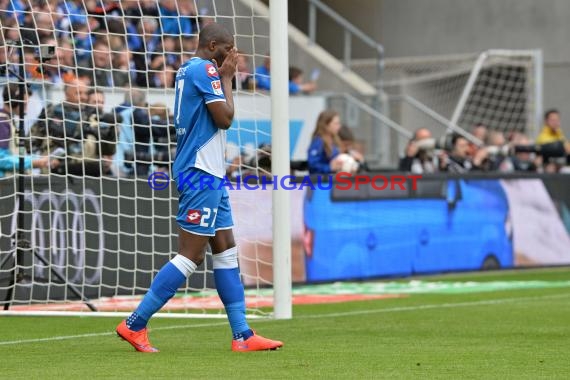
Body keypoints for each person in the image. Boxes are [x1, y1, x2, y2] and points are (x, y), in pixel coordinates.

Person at [116, 23, 283, 353]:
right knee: (191, 255)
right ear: (212, 45)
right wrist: (228, 77)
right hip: (200, 172)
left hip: (211, 174)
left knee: (225, 248)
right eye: (228, 47)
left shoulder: (188, 69)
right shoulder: (205, 69)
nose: (232, 54)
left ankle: (242, 335)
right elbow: (224, 118)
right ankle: (135, 324)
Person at [307, 109, 357, 174]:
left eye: (339, 123)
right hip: (321, 182)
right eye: (336, 123)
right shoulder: (318, 142)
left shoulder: (335, 140)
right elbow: (313, 165)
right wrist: (329, 168)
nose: (339, 126)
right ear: (326, 125)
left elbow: (337, 160)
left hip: (334, 180)